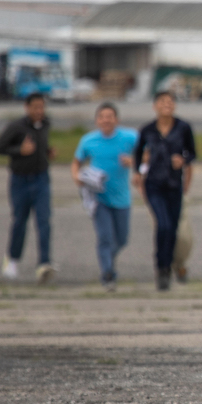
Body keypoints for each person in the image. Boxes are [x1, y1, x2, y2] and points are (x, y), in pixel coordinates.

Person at [71, 102, 139, 291]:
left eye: (110, 116)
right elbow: (76, 162)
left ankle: (109, 258)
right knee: (105, 237)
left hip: (122, 197)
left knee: (122, 239)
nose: (106, 120)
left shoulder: (130, 137)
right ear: (97, 120)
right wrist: (76, 177)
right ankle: (107, 273)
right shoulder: (88, 141)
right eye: (102, 117)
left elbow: (149, 154)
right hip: (98, 197)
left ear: (117, 119)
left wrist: (133, 161)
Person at [133, 91, 197, 291]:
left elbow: (192, 152)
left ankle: (169, 265)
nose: (166, 105)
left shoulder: (183, 127)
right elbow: (137, 152)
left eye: (170, 102)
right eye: (162, 102)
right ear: (155, 106)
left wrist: (183, 160)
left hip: (174, 184)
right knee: (163, 225)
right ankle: (161, 268)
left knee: (173, 228)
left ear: (174, 106)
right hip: (154, 184)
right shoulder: (147, 130)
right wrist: (137, 172)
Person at [0, 92, 56, 284]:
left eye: (42, 107)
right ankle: (12, 259)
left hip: (41, 178)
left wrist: (47, 152)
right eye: (35, 107)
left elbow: (40, 145)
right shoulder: (16, 127)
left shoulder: (45, 124)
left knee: (44, 221)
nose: (39, 111)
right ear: (27, 108)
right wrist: (19, 151)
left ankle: (44, 263)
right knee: (20, 221)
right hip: (20, 180)